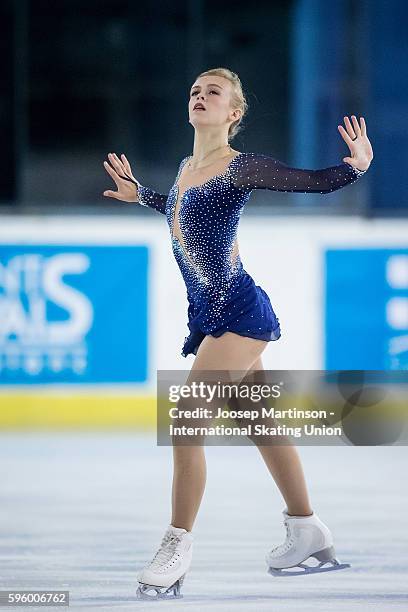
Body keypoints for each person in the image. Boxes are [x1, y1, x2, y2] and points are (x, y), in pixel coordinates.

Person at [103, 67, 373, 599]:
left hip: (239, 313)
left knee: (186, 420)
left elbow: (313, 182)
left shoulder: (239, 167)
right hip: (212, 313)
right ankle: (307, 530)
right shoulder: (187, 168)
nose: (201, 97)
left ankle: (176, 545)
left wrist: (357, 168)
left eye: (215, 93)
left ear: (234, 113)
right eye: (195, 91)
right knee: (261, 423)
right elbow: (183, 211)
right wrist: (144, 197)